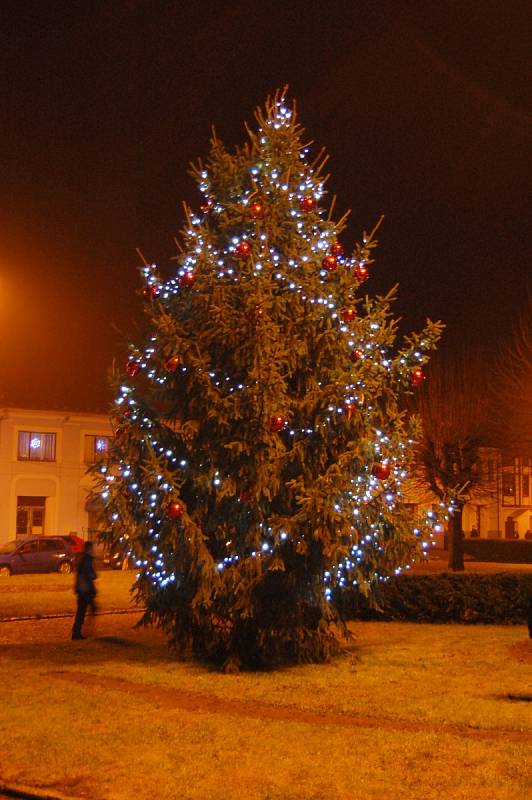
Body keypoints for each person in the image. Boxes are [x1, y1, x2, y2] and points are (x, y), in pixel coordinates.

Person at [72, 541, 97, 640]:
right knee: (83, 611)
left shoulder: (83, 559)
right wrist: (93, 576)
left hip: (82, 589)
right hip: (85, 590)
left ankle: (77, 631)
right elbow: (88, 575)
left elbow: (81, 575)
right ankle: (78, 632)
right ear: (89, 549)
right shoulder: (86, 560)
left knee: (82, 611)